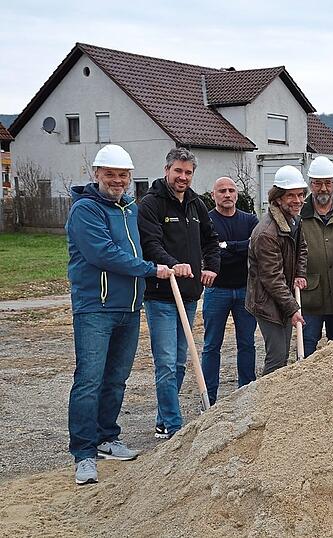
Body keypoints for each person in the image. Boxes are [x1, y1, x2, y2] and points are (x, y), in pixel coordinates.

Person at [66, 144, 173, 485]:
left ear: (129, 178)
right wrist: (150, 270)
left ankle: (107, 437)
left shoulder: (129, 209)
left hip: (129, 308)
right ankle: (84, 453)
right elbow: (104, 254)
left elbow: (143, 244)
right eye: (109, 174)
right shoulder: (85, 210)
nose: (116, 180)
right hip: (95, 309)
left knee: (116, 378)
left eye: (122, 175)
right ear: (96, 174)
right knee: (88, 380)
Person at [138, 147, 220, 440]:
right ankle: (173, 426)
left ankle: (163, 419)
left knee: (180, 361)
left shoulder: (197, 205)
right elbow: (151, 244)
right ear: (167, 170)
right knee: (166, 361)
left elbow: (211, 240)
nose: (183, 177)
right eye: (178, 171)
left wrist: (211, 266)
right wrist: (173, 264)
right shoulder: (151, 204)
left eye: (188, 172)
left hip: (188, 294)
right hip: (161, 294)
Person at [200, 177, 258, 405]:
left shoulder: (250, 220)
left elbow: (254, 248)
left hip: (245, 289)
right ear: (213, 195)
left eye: (231, 190)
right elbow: (210, 251)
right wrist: (237, 247)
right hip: (217, 291)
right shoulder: (207, 222)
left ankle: (247, 392)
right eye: (222, 191)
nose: (227, 194)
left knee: (247, 343)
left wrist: (227, 246)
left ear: (237, 194)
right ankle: (209, 398)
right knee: (212, 345)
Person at [246, 166, 308, 375]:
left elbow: (302, 248)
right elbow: (271, 277)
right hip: (267, 302)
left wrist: (300, 273)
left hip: (282, 296)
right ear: (278, 198)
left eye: (300, 195)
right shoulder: (266, 233)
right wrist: (292, 307)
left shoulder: (293, 221)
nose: (297, 200)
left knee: (282, 355)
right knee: (277, 356)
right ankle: (266, 403)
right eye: (291, 195)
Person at [300, 157, 333, 353]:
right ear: (310, 184)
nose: (323, 188)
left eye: (328, 183)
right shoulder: (298, 217)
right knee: (307, 347)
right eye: (318, 183)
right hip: (309, 297)